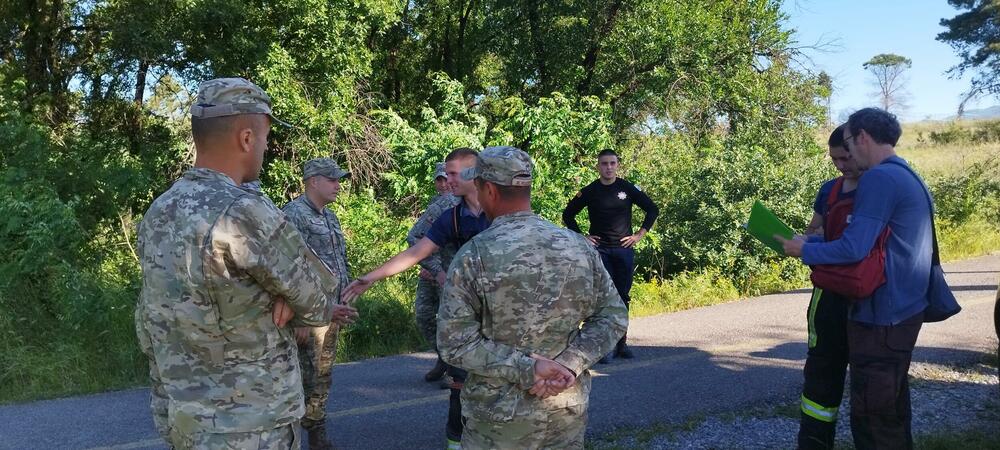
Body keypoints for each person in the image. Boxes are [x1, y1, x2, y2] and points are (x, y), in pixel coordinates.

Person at [134, 77, 358, 449]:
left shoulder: (160, 210)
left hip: (183, 415)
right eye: (266, 138)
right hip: (250, 421)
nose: (267, 147)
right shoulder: (245, 211)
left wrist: (282, 296)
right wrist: (285, 298)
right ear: (246, 138)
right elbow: (318, 299)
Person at [438, 146, 629, 449]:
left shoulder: (474, 255)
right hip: (564, 413)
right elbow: (612, 317)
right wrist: (569, 364)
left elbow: (455, 343)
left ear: (489, 190)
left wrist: (527, 369)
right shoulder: (577, 246)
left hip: (499, 424)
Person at [778, 108, 933, 449]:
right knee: (889, 410)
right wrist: (816, 240)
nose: (845, 156)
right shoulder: (906, 173)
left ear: (861, 137)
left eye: (847, 143)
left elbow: (854, 248)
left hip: (881, 315)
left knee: (873, 415)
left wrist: (805, 249)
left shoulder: (879, 178)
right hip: (903, 310)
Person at [341, 147, 490, 449]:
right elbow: (416, 251)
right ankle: (456, 442)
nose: (447, 179)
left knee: (498, 386)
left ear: (473, 173)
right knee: (460, 387)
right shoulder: (452, 217)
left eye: (452, 173)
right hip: (465, 312)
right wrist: (371, 277)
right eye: (446, 174)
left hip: (502, 313)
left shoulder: (501, 210)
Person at [797, 124, 863, 450]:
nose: (841, 165)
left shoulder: (879, 189)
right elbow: (814, 229)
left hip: (865, 295)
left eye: (846, 158)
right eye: (835, 159)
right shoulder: (829, 190)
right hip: (827, 294)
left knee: (869, 378)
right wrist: (804, 240)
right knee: (821, 373)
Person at [281, 157, 353, 449]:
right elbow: (288, 267)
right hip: (309, 313)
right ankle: (295, 436)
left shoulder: (329, 216)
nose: (338, 186)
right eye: (332, 180)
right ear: (313, 181)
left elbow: (339, 259)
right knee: (302, 377)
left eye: (338, 180)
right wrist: (297, 315)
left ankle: (316, 433)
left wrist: (348, 291)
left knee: (322, 375)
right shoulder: (294, 214)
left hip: (331, 310)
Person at [562, 149, 659, 362]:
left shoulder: (627, 188)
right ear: (598, 166)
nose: (608, 167)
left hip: (623, 250)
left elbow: (652, 209)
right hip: (600, 251)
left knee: (622, 296)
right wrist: (582, 237)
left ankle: (621, 344)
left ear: (617, 165)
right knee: (602, 297)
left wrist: (639, 235)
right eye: (604, 163)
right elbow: (568, 214)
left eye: (612, 163)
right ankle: (602, 346)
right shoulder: (590, 191)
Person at [406, 161, 460, 383]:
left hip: (452, 275)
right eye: (440, 180)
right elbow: (420, 239)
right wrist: (429, 266)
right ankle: (443, 358)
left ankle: (455, 371)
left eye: (447, 178)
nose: (444, 184)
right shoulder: (436, 205)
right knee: (424, 316)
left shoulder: (465, 204)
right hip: (433, 273)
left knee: (452, 322)